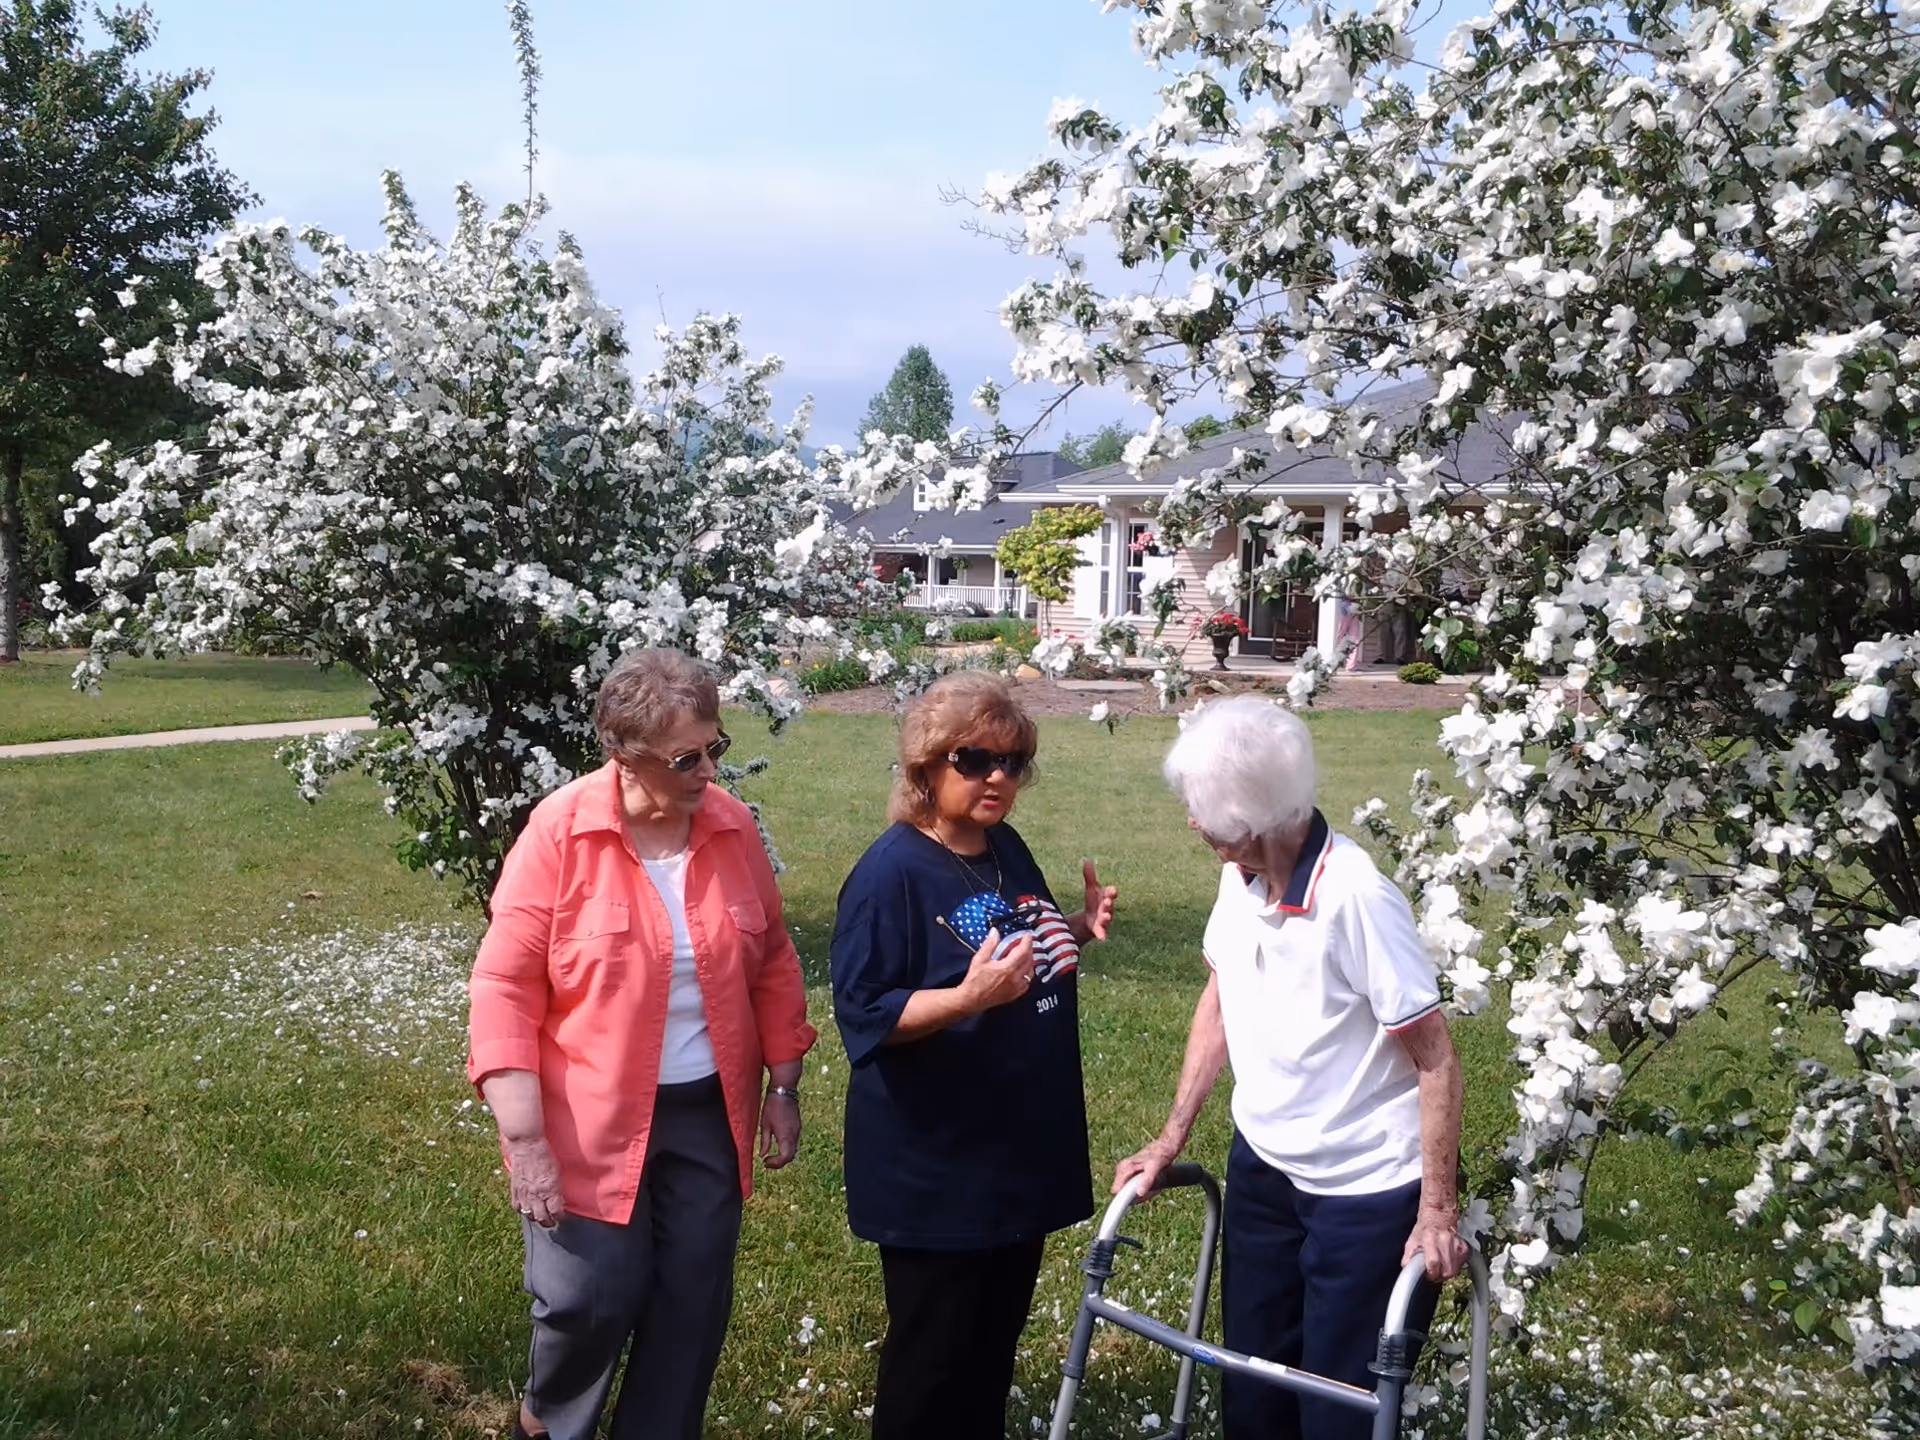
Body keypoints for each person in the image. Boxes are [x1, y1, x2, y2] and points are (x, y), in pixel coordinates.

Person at [467, 647, 817, 1440]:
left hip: (704, 1111)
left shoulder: (730, 827)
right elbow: (504, 987)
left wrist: (784, 1088)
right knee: (589, 1299)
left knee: (692, 1301)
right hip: (585, 1114)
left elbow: (772, 961)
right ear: (622, 756)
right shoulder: (560, 834)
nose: (708, 773)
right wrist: (523, 1136)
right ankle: (549, 1422)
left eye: (716, 748)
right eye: (685, 758)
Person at [1115, 696, 1467, 1440]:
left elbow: (1434, 1058)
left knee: (1336, 1412)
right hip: (1265, 1168)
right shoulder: (1239, 877)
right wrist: (1170, 1137)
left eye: (1201, 810)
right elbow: (1221, 1000)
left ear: (1250, 817)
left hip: (1364, 1192)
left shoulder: (1356, 897)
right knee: (1250, 1391)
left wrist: (1436, 1209)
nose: (1190, 822)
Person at [830, 672, 1118, 1440]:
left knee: (990, 1353)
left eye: (1013, 763)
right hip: (940, 1167)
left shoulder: (1004, 849)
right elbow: (864, 1012)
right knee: (932, 1362)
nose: (998, 778)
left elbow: (1019, 953)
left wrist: (1078, 929)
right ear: (926, 766)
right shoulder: (888, 875)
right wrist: (963, 1000)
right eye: (975, 759)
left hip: (1017, 1157)